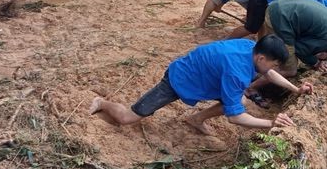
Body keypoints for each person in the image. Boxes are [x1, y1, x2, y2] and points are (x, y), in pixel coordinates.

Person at [89, 35, 313, 134]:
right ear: (262, 59)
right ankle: (103, 103)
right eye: (273, 63)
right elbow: (234, 118)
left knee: (239, 99)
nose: (273, 69)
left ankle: (196, 119)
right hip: (179, 80)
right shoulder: (237, 71)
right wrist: (271, 123)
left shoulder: (250, 48)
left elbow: (270, 73)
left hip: (200, 75)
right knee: (127, 118)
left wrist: (295, 89)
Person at [244, 0, 327, 106]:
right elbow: (300, 49)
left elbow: (310, 35)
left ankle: (254, 74)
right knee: (290, 69)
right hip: (280, 19)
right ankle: (250, 87)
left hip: (280, 5)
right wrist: (315, 62)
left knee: (273, 56)